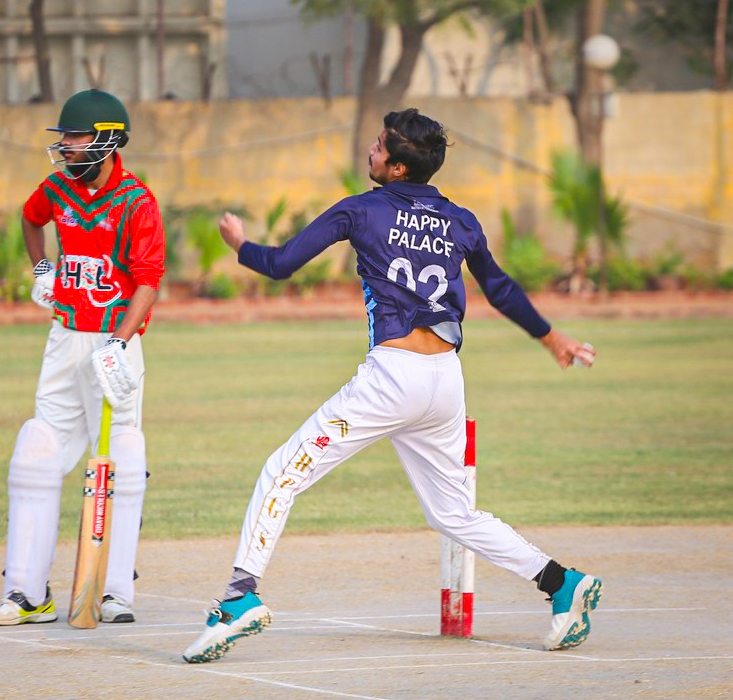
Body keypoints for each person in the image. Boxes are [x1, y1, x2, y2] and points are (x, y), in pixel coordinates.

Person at [182, 108, 600, 663]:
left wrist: (239, 244)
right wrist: (552, 339)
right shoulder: (460, 220)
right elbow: (499, 288)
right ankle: (562, 584)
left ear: (398, 167)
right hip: (445, 381)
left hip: (392, 380)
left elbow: (280, 265)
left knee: (281, 474)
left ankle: (239, 598)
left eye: (379, 146)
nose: (371, 151)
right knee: (454, 515)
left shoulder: (361, 209)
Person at [0, 89, 165, 626]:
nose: (66, 146)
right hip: (64, 338)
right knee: (36, 452)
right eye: (64, 137)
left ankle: (114, 591)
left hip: (113, 343)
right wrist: (43, 268)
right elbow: (30, 218)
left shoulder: (137, 202)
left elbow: (148, 282)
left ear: (106, 141)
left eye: (75, 137)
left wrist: (119, 344)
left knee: (122, 456)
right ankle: (27, 594)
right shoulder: (58, 188)